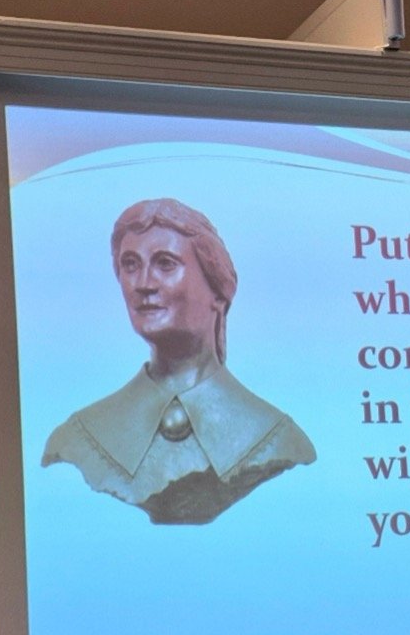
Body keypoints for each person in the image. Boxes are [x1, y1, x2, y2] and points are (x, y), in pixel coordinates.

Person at [42, 198, 315, 524]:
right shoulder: (78, 440)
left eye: (165, 263)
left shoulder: (278, 441)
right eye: (130, 265)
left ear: (217, 289)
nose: (143, 283)